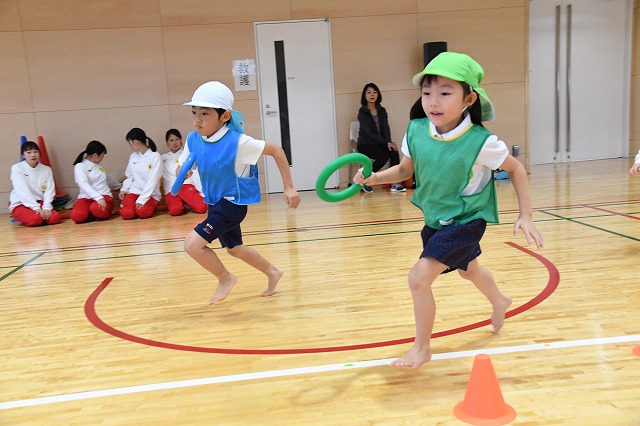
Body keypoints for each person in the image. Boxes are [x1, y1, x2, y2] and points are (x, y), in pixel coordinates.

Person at [353, 52, 544, 368]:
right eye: (427, 92)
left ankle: (422, 348)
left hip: (466, 220)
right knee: (470, 270)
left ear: (469, 99)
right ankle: (500, 300)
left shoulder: (481, 142)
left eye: (445, 93)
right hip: (436, 219)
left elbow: (516, 168)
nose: (433, 101)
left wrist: (526, 215)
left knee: (418, 279)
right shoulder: (416, 130)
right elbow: (405, 170)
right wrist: (374, 178)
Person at [178, 81, 300, 304]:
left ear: (224, 116)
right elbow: (184, 165)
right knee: (234, 249)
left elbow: (276, 150)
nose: (197, 119)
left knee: (192, 245)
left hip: (232, 204)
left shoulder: (239, 143)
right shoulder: (194, 138)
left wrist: (289, 186)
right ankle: (273, 272)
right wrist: (182, 172)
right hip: (214, 202)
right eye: (194, 112)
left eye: (205, 114)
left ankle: (225, 278)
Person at [357, 83, 406, 193]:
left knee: (393, 150)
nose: (372, 94)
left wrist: (388, 142)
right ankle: (364, 180)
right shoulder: (362, 112)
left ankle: (395, 183)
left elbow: (385, 127)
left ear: (378, 94)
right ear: (364, 95)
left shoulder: (382, 110)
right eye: (369, 92)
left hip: (380, 142)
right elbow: (368, 133)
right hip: (365, 143)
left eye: (374, 92)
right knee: (383, 156)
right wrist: (385, 141)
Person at [9, 141, 62, 227]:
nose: (33, 155)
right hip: (21, 203)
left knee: (55, 218)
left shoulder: (46, 169)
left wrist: (46, 208)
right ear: (23, 155)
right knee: (36, 219)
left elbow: (49, 190)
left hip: (40, 202)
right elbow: (22, 190)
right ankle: (34, 217)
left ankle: (40, 217)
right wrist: (35, 207)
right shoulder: (17, 168)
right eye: (29, 152)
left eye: (35, 152)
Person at [161, 128, 207, 216]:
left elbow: (195, 174)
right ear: (167, 143)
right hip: (171, 190)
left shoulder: (187, 155)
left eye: (177, 139)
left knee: (202, 208)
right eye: (171, 140)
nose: (175, 143)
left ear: (181, 140)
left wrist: (202, 192)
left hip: (186, 186)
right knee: (175, 211)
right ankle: (184, 204)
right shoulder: (162, 158)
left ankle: (187, 202)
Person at [119, 128, 162, 219]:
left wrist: (142, 199)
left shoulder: (155, 156)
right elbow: (130, 176)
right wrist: (124, 189)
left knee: (143, 212)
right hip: (134, 192)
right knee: (127, 214)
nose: (130, 146)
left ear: (136, 142)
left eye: (130, 143)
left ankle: (139, 207)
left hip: (151, 195)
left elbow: (153, 180)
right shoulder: (133, 156)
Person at [70, 140, 114, 223]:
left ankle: (95, 212)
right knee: (77, 216)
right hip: (87, 198)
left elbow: (107, 179)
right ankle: (90, 213)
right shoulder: (80, 166)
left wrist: (121, 186)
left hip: (104, 195)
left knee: (96, 209)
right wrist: (98, 197)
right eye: (102, 156)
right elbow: (83, 183)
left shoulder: (99, 167)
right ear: (95, 155)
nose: (102, 158)